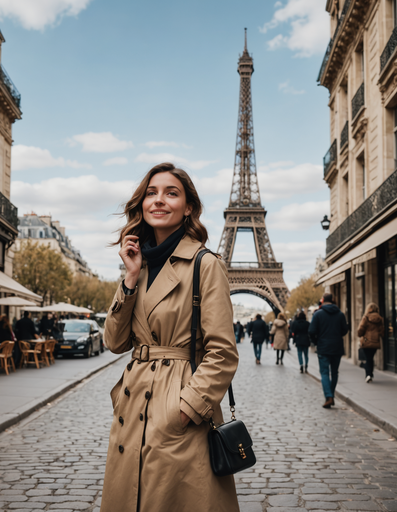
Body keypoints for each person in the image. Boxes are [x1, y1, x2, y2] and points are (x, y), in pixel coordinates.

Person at [101, 163, 240, 512]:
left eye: (171, 193)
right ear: (142, 204)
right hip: (134, 408)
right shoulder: (139, 265)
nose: (159, 200)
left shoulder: (205, 263)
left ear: (188, 207)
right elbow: (114, 342)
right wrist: (129, 280)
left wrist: (185, 409)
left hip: (178, 406)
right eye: (151, 193)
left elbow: (222, 352)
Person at [309, 293, 348, 408]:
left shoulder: (318, 314)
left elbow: (311, 331)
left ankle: (329, 396)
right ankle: (331, 395)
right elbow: (345, 330)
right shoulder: (340, 314)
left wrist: (316, 342)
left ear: (322, 301)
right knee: (335, 372)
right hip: (337, 347)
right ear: (333, 300)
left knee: (325, 373)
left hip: (323, 347)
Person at [357, 303, 384, 383]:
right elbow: (382, 330)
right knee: (370, 358)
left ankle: (368, 375)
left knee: (367, 359)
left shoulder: (365, 317)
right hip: (375, 342)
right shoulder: (380, 319)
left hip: (366, 341)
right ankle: (370, 374)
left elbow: (361, 329)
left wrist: (360, 334)